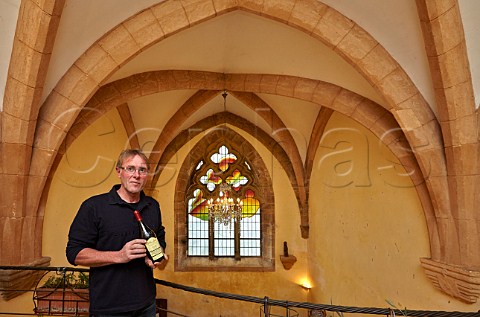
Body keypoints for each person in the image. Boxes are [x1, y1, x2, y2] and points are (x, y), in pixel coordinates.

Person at [66, 149, 167, 316]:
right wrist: (119, 256)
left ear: (147, 175)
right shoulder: (93, 207)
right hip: (109, 308)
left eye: (142, 170)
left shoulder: (152, 206)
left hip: (146, 304)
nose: (136, 175)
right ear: (119, 171)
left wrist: (156, 256)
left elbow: (159, 237)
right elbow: (74, 253)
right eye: (130, 168)